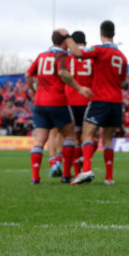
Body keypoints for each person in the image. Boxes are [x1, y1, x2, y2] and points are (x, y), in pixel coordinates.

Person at [25, 29, 93, 184]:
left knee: (40, 141)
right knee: (69, 135)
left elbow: (28, 75)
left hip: (39, 103)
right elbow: (63, 73)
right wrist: (80, 88)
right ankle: (66, 174)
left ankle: (35, 177)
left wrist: (34, 90)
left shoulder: (41, 56)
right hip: (57, 101)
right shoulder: (62, 56)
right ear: (64, 41)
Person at [67, 20, 127, 185]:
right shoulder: (122, 57)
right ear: (113, 34)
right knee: (107, 139)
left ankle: (86, 170)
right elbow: (122, 83)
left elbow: (78, 54)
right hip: (116, 101)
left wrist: (67, 37)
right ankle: (109, 178)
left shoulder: (98, 50)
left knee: (87, 134)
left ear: (101, 33)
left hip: (100, 99)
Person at [64, 30, 97, 181]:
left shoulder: (68, 56)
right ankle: (86, 160)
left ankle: (76, 172)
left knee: (75, 136)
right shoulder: (92, 55)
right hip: (89, 99)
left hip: (71, 99)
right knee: (91, 136)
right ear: (85, 42)